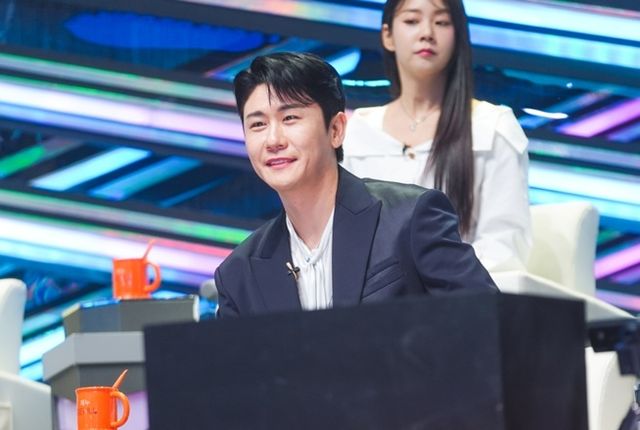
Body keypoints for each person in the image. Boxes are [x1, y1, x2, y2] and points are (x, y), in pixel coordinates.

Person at [214, 51, 497, 318]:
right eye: (258, 125)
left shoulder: (410, 219)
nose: (273, 140)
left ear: (336, 129)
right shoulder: (238, 275)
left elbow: (491, 322)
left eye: (290, 118)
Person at [341, 0, 531, 272]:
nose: (427, 33)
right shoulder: (358, 130)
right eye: (412, 21)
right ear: (388, 35)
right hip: (373, 295)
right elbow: (344, 239)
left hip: (461, 293)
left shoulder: (491, 127)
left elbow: (503, 248)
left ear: (458, 36)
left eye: (441, 22)